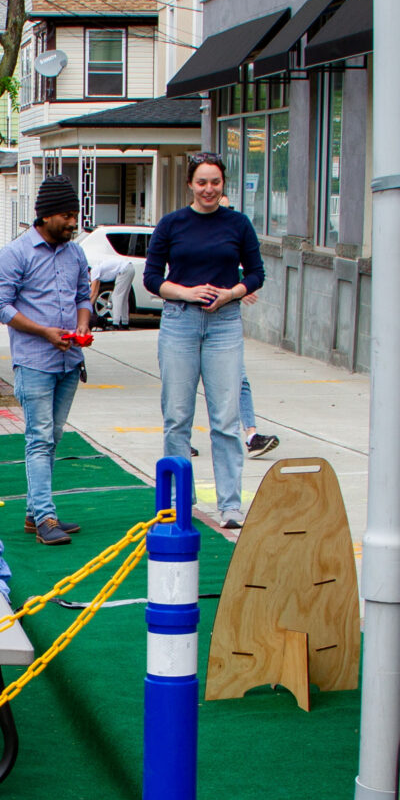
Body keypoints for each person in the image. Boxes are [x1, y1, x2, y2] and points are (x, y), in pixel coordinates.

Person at [144, 151, 270, 528]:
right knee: (177, 418)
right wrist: (186, 292)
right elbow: (152, 278)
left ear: (223, 184)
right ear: (190, 185)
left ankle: (230, 505)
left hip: (225, 324)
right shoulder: (171, 224)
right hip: (180, 322)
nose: (209, 189)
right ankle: (180, 503)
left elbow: (257, 273)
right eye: (202, 182)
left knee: (226, 420)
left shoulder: (239, 224)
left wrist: (231, 293)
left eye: (215, 182)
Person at [0, 174, 95, 546]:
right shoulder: (15, 254)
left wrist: (81, 326)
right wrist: (45, 332)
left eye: (74, 214)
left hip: (70, 361)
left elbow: (84, 295)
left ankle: (36, 514)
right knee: (39, 438)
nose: (72, 222)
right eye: (66, 215)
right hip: (35, 360)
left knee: (53, 436)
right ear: (46, 215)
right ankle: (46, 515)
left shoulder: (75, 252)